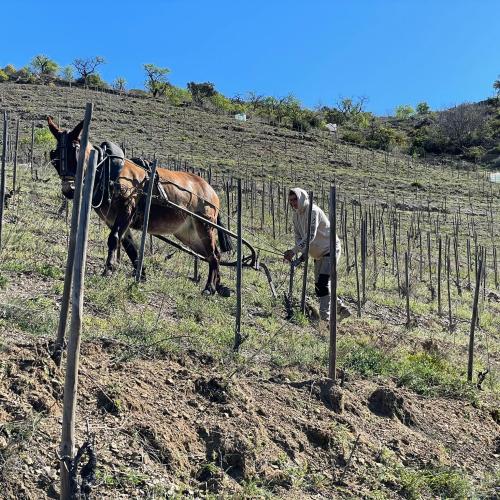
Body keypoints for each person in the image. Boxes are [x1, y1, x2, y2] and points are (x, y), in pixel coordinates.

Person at [284, 188, 350, 322]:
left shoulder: (313, 211)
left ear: (302, 198)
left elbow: (311, 236)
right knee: (319, 287)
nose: (293, 203)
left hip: (330, 249)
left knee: (323, 283)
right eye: (291, 200)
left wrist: (293, 251)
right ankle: (341, 309)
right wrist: (302, 254)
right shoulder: (296, 215)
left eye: (295, 199)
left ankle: (325, 320)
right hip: (317, 254)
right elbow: (298, 237)